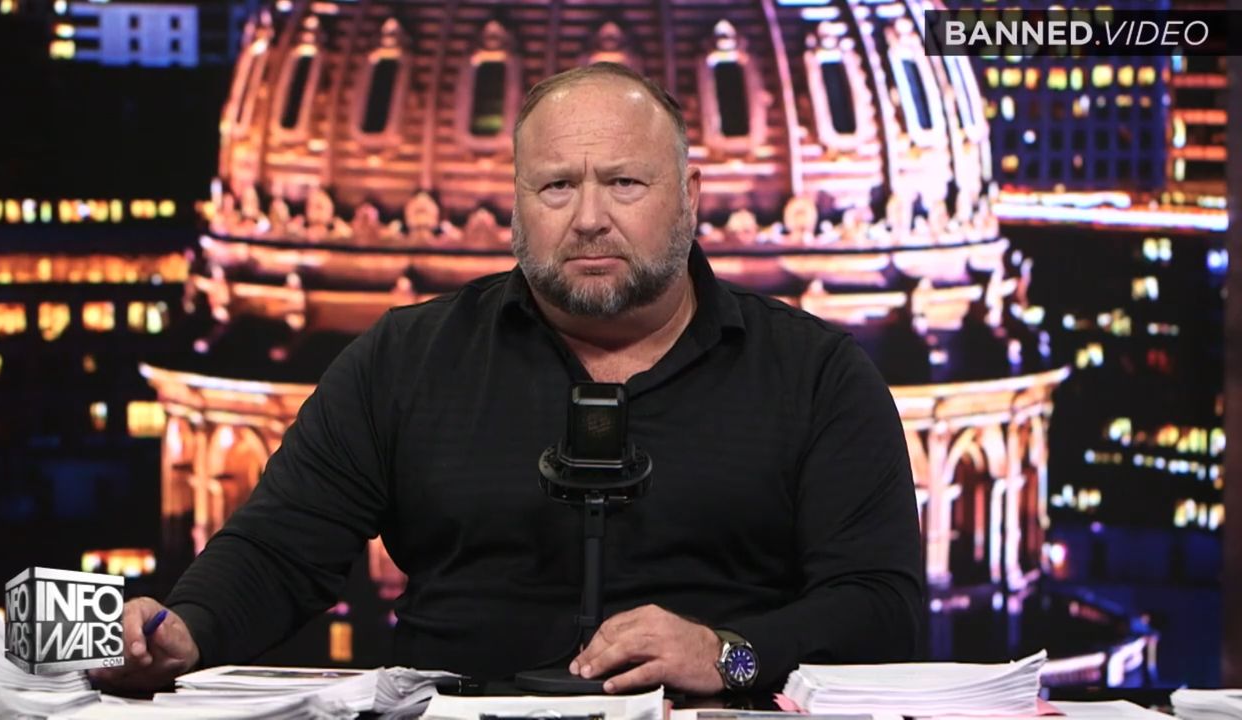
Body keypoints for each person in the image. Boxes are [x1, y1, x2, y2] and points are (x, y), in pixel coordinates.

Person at [92, 62, 925, 697]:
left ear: (690, 195)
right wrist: (189, 629)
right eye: (557, 186)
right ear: (517, 199)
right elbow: (281, 550)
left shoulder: (814, 374)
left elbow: (880, 609)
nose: (590, 218)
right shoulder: (407, 358)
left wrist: (728, 654)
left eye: (625, 183)